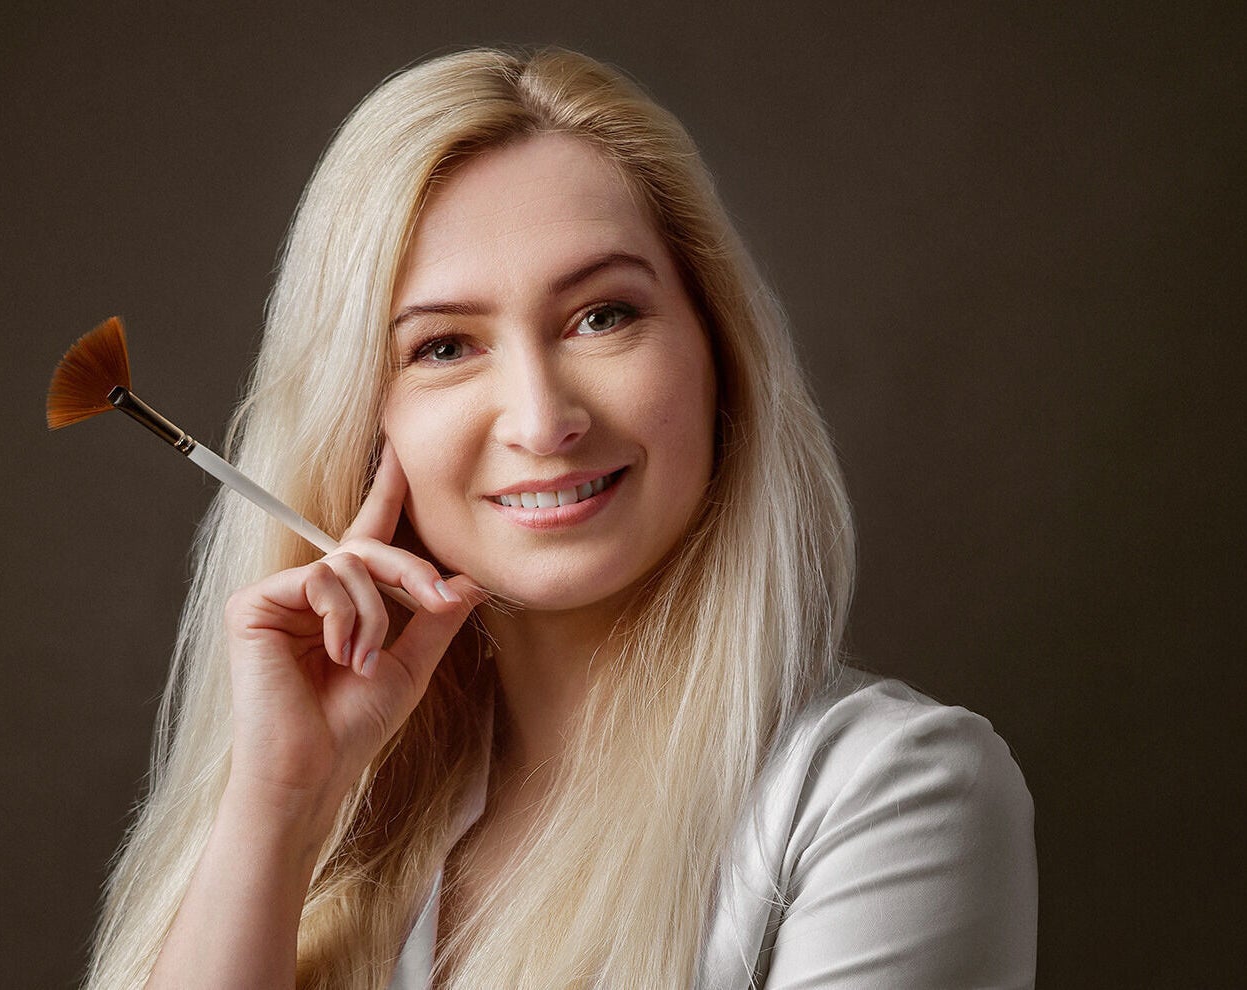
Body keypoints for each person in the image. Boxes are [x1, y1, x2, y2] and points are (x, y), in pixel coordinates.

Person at [85, 47, 1037, 990]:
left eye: (603, 317)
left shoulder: (883, 793)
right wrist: (281, 807)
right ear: (363, 427)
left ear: (717, 352)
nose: (544, 422)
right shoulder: (332, 830)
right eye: (446, 346)